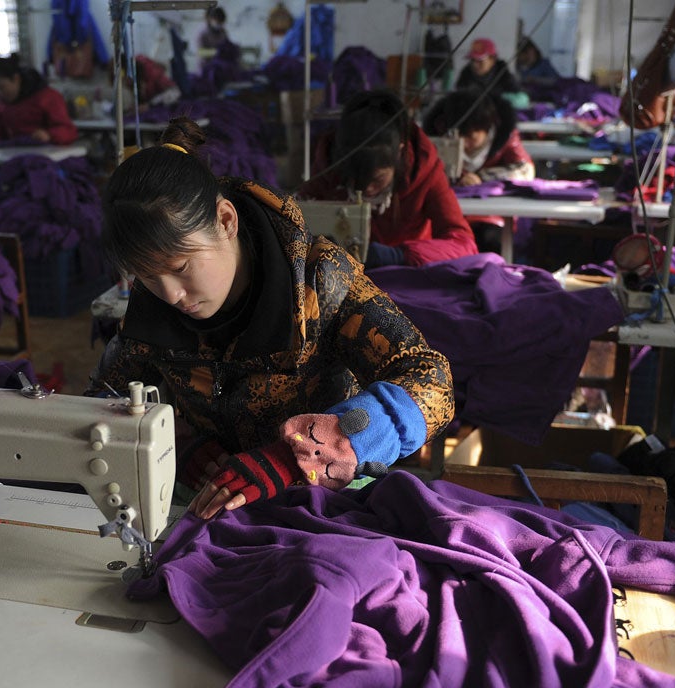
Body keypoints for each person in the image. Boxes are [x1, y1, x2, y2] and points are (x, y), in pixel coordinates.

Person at [89, 117, 455, 520]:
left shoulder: (320, 281)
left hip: (326, 498)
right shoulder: (151, 309)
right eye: (147, 276)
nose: (170, 294)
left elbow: (431, 380)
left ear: (226, 221)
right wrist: (180, 442)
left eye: (180, 267)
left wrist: (298, 456)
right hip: (212, 497)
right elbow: (105, 405)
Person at [298, 89, 478, 267]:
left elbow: (464, 244)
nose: (367, 189)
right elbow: (294, 229)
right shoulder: (327, 169)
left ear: (400, 153)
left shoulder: (426, 173)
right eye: (355, 179)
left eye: (377, 179)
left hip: (406, 277)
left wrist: (401, 255)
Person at [423, 88, 535, 254]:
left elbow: (526, 170)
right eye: (459, 137)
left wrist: (483, 177)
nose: (464, 144)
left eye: (471, 137)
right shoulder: (438, 137)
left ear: (488, 127)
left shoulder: (506, 139)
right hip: (446, 211)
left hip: (490, 217)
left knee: (487, 240)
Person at [0, 54, 78, 145]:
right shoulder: (0, 102)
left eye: (1, 87)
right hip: (16, 152)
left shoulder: (47, 97)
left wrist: (49, 135)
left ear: (16, 79)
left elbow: (68, 131)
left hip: (49, 154)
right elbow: (1, 132)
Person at [455, 38, 520, 97]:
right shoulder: (465, 76)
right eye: (472, 60)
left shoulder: (505, 77)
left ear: (492, 60)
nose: (474, 64)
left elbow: (520, 99)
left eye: (480, 61)